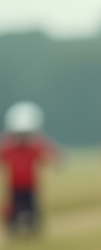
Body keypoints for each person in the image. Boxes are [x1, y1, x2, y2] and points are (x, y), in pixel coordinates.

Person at [0, 101, 58, 236]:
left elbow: (53, 156)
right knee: (12, 210)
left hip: (31, 185)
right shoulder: (8, 146)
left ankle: (33, 231)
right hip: (14, 185)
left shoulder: (36, 146)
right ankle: (13, 230)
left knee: (33, 210)